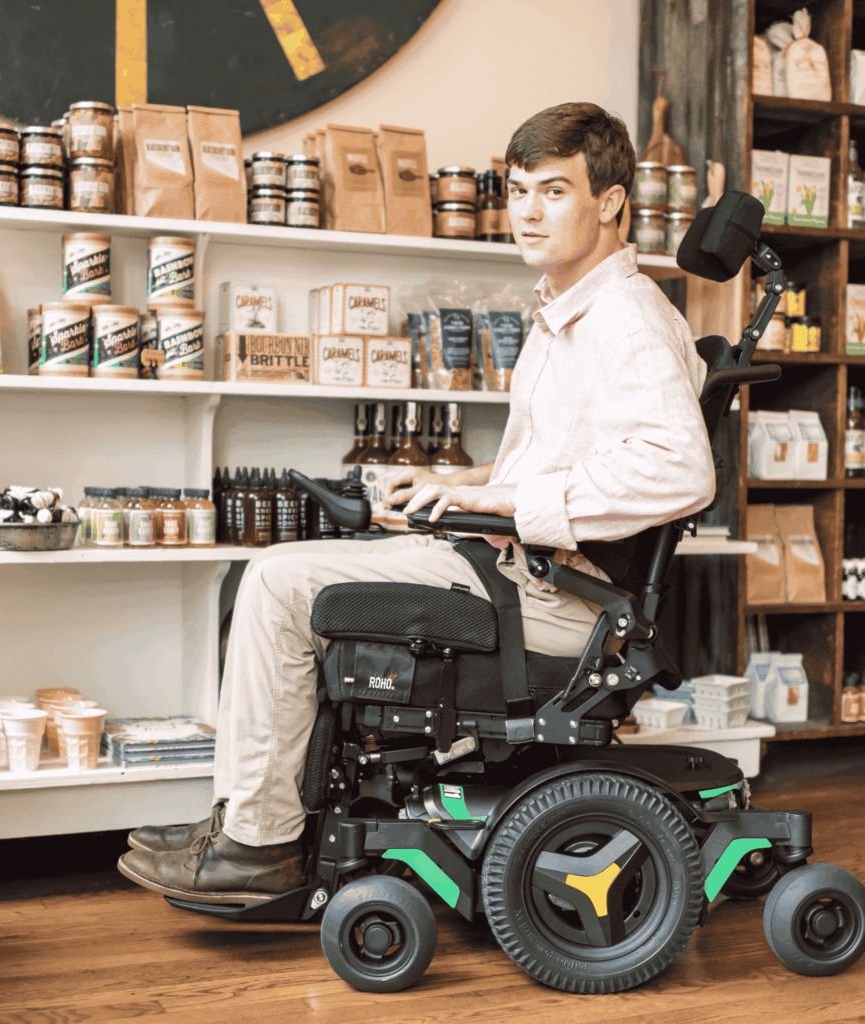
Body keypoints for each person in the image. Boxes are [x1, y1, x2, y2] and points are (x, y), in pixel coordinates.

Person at [117, 101, 715, 905]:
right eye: (518, 191)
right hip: (521, 568)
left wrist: (506, 508)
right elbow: (565, 463)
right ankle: (250, 820)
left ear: (608, 202)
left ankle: (259, 846)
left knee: (274, 583)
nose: (528, 213)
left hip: (558, 598)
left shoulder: (624, 318)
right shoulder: (566, 311)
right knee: (275, 574)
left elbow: (679, 470)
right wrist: (457, 486)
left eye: (554, 192)